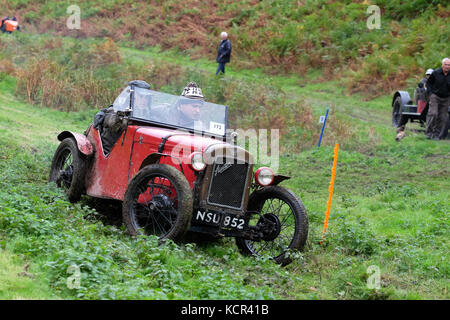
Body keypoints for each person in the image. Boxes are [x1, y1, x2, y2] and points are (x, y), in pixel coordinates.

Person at [395, 68, 433, 141]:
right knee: (405, 112)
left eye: (430, 75)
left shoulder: (436, 82)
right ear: (426, 75)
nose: (429, 76)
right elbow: (422, 92)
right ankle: (400, 127)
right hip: (422, 100)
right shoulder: (423, 82)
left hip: (434, 102)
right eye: (428, 75)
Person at [426, 58, 450, 140]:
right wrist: (430, 93)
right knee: (433, 113)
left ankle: (436, 134)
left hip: (446, 98)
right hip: (435, 96)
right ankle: (429, 132)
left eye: (449, 65)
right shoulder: (436, 73)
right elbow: (428, 83)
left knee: (442, 117)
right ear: (442, 65)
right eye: (445, 64)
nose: (447, 66)